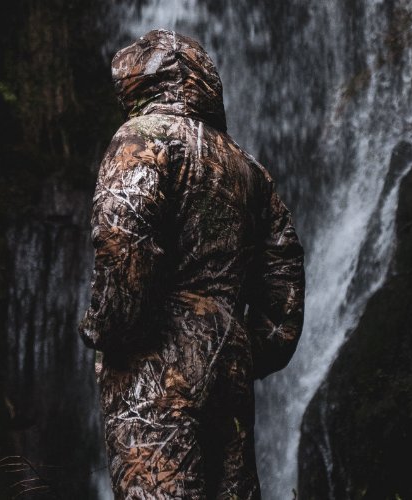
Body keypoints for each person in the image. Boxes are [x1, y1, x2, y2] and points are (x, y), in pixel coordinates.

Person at [80, 29, 305, 499]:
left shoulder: (143, 137)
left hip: (156, 357)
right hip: (229, 357)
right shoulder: (249, 168)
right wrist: (249, 349)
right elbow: (283, 272)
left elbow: (121, 235)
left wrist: (112, 331)